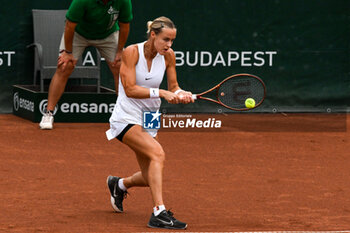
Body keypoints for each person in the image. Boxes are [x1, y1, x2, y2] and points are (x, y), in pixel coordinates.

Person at [105, 16, 193, 230]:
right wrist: (161, 92)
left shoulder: (169, 56)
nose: (169, 45)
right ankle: (159, 212)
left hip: (150, 118)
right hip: (126, 116)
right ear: (153, 35)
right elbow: (130, 88)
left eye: (172, 41)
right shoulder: (131, 52)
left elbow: (174, 86)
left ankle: (119, 184)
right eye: (165, 39)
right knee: (158, 154)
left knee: (150, 176)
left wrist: (182, 94)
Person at [39, 0, 133, 130]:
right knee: (64, 66)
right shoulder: (82, 1)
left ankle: (124, 116)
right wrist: (67, 52)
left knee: (120, 67)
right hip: (79, 34)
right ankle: (48, 113)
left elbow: (125, 25)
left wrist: (119, 51)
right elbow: (69, 26)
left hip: (108, 35)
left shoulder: (123, 1)